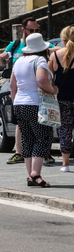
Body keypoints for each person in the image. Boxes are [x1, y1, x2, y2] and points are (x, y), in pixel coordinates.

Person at [0, 17, 56, 165]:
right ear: (23, 30)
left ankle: (33, 167)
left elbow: (58, 48)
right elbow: (0, 61)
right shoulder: (15, 45)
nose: (34, 32)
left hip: (23, 98)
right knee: (38, 132)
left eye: (36, 30)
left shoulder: (38, 43)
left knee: (31, 133)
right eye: (31, 30)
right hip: (26, 94)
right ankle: (22, 156)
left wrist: (49, 49)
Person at [10, 32, 59, 188]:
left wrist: (15, 102)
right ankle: (35, 175)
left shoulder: (18, 61)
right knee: (43, 137)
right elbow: (42, 80)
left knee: (28, 139)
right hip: (36, 104)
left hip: (20, 103)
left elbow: (13, 85)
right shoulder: (40, 61)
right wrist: (53, 89)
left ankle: (30, 174)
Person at [48, 25, 74, 172]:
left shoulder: (55, 56)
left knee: (65, 130)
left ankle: (65, 164)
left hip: (62, 98)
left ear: (62, 39)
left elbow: (48, 77)